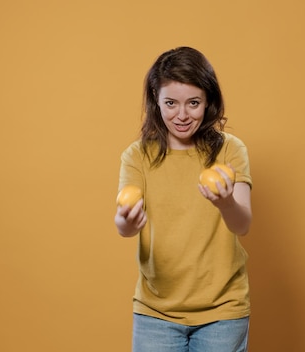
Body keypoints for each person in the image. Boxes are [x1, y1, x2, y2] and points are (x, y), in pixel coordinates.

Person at [114, 46, 253, 352]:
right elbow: (123, 227)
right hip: (156, 312)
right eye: (170, 103)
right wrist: (127, 219)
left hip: (223, 312)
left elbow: (243, 224)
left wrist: (225, 203)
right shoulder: (137, 155)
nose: (182, 115)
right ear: (156, 99)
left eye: (193, 103)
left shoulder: (230, 150)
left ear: (208, 102)